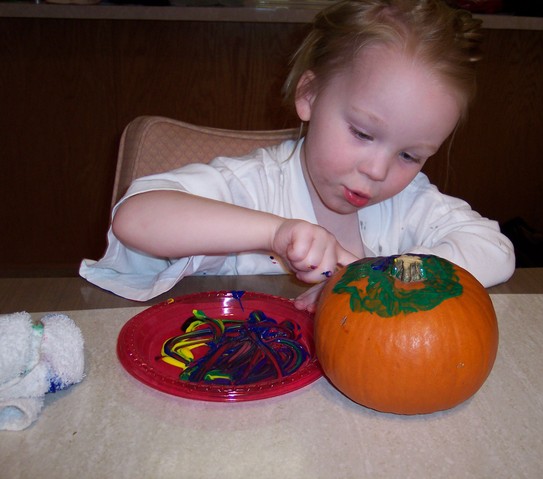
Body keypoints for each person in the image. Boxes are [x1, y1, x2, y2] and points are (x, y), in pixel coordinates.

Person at [80, 0, 515, 311]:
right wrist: (276, 234)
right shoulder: (251, 187)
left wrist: (389, 276)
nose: (377, 171)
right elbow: (136, 217)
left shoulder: (409, 202)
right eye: (362, 132)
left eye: (410, 155)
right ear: (309, 94)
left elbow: (495, 250)